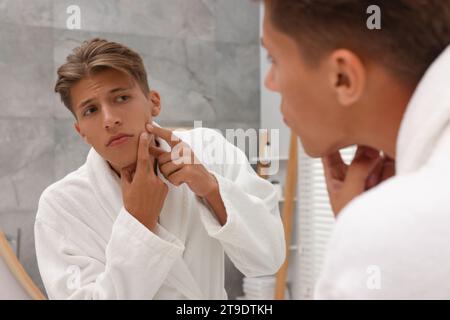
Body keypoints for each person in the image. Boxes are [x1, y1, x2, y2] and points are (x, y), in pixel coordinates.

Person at [34, 38, 285, 299]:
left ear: (154, 102)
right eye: (91, 110)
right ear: (81, 131)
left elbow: (269, 257)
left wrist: (211, 188)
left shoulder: (209, 149)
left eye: (121, 97)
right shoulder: (62, 205)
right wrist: (139, 223)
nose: (109, 119)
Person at [261, 0, 450, 298]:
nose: (269, 83)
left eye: (273, 59)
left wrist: (367, 235)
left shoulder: (402, 225)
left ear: (343, 77)